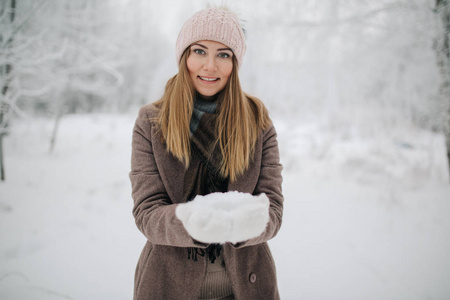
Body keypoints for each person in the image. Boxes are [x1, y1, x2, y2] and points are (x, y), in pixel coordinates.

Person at [129, 6, 283, 300]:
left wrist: (244, 224)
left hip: (247, 287)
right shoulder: (151, 122)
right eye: (200, 51)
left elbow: (273, 208)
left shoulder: (257, 121)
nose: (210, 66)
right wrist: (194, 223)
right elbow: (146, 212)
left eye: (223, 54)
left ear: (235, 63)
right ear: (184, 56)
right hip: (167, 285)